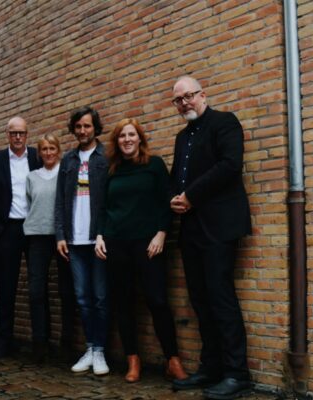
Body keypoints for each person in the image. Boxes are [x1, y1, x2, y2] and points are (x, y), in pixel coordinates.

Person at [169, 76, 252, 400]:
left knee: (221, 299)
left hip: (219, 226)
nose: (184, 103)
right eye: (178, 100)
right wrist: (174, 196)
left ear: (202, 95)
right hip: (190, 230)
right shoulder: (181, 137)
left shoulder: (224, 123)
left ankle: (237, 374)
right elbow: (178, 175)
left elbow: (231, 166)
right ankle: (211, 367)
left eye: (189, 96)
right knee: (200, 301)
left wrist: (190, 195)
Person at [94, 118, 188, 383]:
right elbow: (102, 207)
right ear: (117, 141)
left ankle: (173, 360)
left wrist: (161, 233)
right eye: (122, 135)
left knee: (157, 300)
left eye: (131, 134)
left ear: (140, 138)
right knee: (123, 303)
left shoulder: (154, 165)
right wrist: (100, 235)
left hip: (148, 244)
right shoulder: (111, 170)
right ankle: (133, 361)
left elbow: (166, 202)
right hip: (116, 243)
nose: (127, 139)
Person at [55, 106, 109, 375]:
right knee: (82, 296)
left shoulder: (106, 156)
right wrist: (60, 236)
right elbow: (59, 201)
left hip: (97, 240)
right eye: (78, 127)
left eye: (87, 126)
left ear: (94, 127)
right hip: (74, 241)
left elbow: (110, 200)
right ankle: (90, 347)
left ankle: (100, 351)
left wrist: (104, 233)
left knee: (100, 297)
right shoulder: (68, 160)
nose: (82, 131)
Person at [0, 117, 42, 360]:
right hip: (8, 230)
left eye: (22, 133)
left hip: (35, 228)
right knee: (6, 288)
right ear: (7, 134)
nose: (18, 137)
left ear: (27, 135)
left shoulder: (37, 157)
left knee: (37, 288)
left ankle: (40, 345)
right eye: (13, 133)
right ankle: (3, 342)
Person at [23, 133, 76, 363]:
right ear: (39, 153)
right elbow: (28, 205)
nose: (48, 153)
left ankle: (67, 344)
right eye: (44, 149)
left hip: (62, 237)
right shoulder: (32, 177)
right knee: (36, 292)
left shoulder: (65, 173)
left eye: (52, 148)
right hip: (36, 237)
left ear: (58, 150)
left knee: (66, 291)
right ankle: (40, 342)